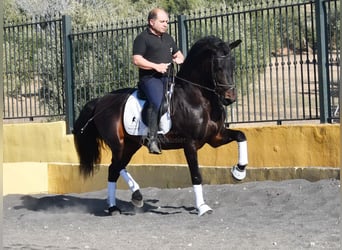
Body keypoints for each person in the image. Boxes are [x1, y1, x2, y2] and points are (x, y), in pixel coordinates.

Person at [132, 7, 184, 154]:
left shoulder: (168, 38)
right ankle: (152, 138)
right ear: (151, 22)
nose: (165, 24)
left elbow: (178, 54)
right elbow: (136, 60)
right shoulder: (142, 38)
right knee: (157, 101)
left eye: (167, 21)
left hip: (169, 78)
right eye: (162, 21)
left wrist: (180, 58)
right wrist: (156, 66)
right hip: (150, 79)